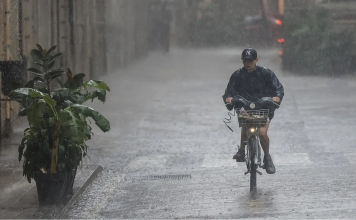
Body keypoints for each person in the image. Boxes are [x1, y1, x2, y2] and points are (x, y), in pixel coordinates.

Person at [222, 48, 284, 174]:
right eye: (245, 60)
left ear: (256, 60)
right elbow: (229, 91)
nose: (248, 63)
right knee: (245, 122)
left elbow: (278, 88)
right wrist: (229, 98)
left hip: (264, 107)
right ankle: (242, 149)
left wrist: (276, 97)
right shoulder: (237, 75)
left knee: (262, 133)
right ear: (242, 61)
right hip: (244, 106)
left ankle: (267, 158)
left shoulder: (266, 73)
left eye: (250, 60)